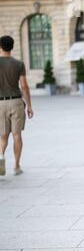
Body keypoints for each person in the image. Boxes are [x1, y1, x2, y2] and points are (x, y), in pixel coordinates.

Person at [0, 35, 34, 176]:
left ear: (0, 47)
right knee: (17, 135)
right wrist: (29, 105)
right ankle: (17, 166)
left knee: (3, 135)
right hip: (16, 102)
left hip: (0, 103)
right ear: (12, 47)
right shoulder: (19, 64)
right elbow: (24, 86)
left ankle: (1, 157)